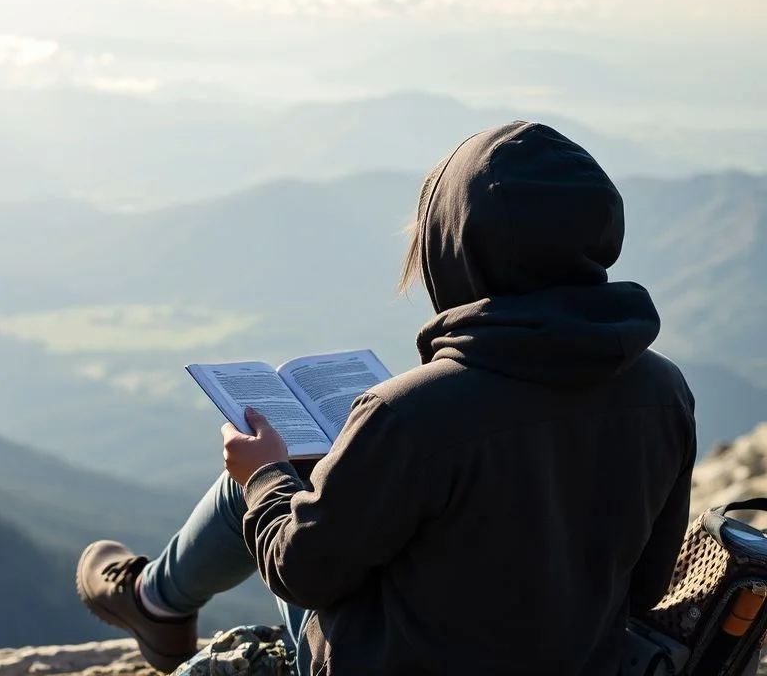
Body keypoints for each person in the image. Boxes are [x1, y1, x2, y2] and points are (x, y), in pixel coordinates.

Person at [75, 121, 697, 675]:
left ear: (454, 247)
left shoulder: (412, 413)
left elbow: (304, 574)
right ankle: (157, 598)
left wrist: (263, 476)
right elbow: (644, 587)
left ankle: (155, 601)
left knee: (270, 477)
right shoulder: (664, 390)